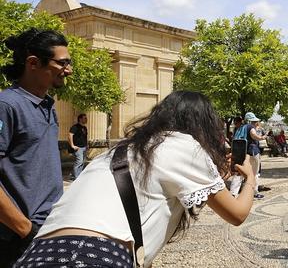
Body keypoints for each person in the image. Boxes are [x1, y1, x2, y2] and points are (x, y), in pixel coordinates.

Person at [15, 91, 255, 267]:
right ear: (204, 125)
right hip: (94, 254)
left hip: (37, 252)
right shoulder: (184, 145)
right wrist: (251, 178)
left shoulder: (123, 150)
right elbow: (236, 214)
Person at [0, 28, 72, 267]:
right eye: (62, 63)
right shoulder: (7, 105)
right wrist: (24, 228)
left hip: (48, 228)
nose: (68, 70)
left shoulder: (48, 105)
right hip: (14, 237)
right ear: (33, 63)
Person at [229, 112, 268, 199]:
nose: (255, 123)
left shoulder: (239, 128)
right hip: (252, 152)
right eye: (254, 121)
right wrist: (262, 137)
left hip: (242, 152)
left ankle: (233, 193)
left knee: (239, 172)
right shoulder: (250, 127)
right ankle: (254, 192)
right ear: (251, 121)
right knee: (255, 173)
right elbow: (254, 135)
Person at [68, 113, 88, 179]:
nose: (86, 119)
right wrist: (72, 145)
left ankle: (76, 175)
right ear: (80, 119)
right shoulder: (75, 127)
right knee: (79, 162)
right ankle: (76, 178)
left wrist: (87, 145)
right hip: (78, 148)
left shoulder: (85, 128)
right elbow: (70, 136)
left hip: (84, 147)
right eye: (85, 118)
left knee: (82, 162)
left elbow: (85, 137)